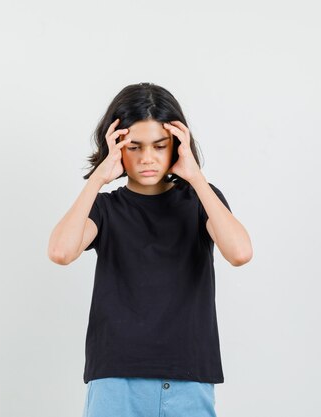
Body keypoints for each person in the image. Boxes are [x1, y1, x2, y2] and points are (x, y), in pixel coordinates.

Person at [47, 82, 253, 417]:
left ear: (177, 145)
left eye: (159, 146)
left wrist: (196, 178)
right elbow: (60, 251)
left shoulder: (200, 201)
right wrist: (97, 178)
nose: (147, 159)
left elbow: (240, 253)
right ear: (117, 147)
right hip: (116, 378)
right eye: (134, 147)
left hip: (188, 376)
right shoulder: (104, 208)